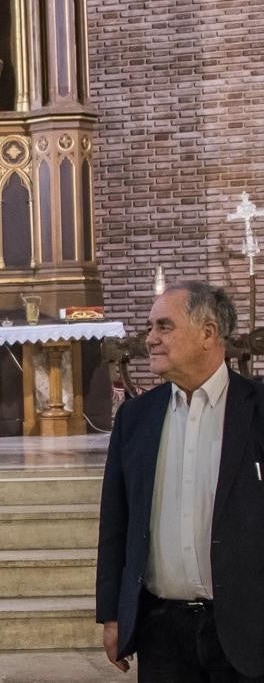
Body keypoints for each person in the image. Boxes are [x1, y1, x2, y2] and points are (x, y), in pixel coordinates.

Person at [96, 281, 264, 680]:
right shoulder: (136, 418)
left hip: (246, 629)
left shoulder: (257, 411)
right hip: (161, 632)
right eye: (150, 327)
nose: (150, 339)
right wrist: (112, 616)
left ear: (208, 333)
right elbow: (116, 524)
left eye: (164, 326)